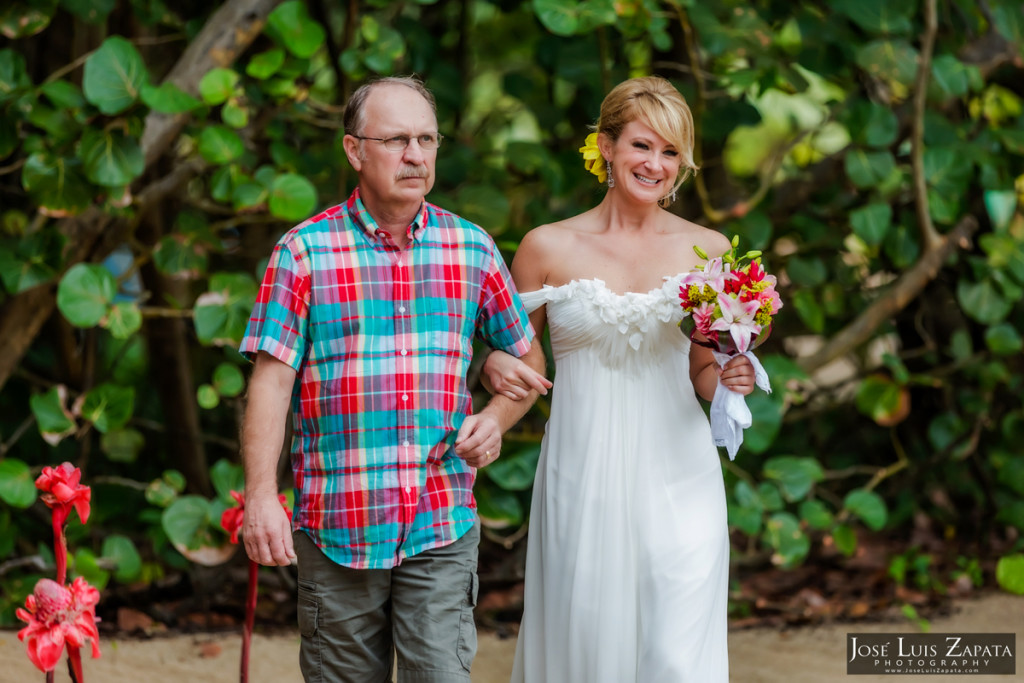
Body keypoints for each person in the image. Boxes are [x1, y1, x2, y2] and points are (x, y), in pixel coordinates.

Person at [237, 76, 550, 683]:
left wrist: (493, 418)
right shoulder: (303, 253)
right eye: (397, 139)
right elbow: (271, 385)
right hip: (337, 524)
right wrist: (259, 499)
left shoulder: (473, 250)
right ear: (355, 150)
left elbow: (529, 362)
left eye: (427, 139)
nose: (416, 155)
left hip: (440, 517)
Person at [481, 76, 756, 682]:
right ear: (605, 146)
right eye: (641, 145)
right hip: (584, 470)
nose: (655, 164)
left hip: (680, 473)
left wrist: (730, 376)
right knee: (586, 638)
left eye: (669, 151)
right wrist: (495, 367)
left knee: (676, 652)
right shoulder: (545, 246)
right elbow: (521, 360)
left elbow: (703, 370)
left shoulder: (709, 251)